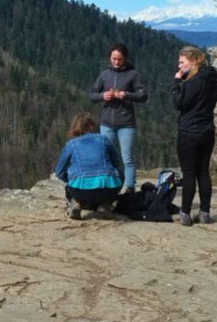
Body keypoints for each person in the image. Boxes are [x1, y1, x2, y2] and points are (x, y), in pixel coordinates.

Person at [88, 43, 148, 194]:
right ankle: (107, 186)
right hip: (106, 123)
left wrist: (126, 95)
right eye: (114, 59)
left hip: (126, 123)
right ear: (110, 58)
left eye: (119, 59)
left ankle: (129, 188)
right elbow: (92, 95)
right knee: (105, 156)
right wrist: (103, 95)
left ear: (125, 59)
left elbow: (143, 95)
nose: (116, 62)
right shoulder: (104, 75)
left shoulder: (133, 74)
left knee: (127, 158)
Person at [171, 45, 217, 226]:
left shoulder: (194, 82)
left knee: (189, 173)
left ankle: (185, 213)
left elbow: (179, 103)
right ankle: (205, 212)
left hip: (189, 132)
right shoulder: (213, 80)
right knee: (203, 172)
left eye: (182, 62)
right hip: (207, 131)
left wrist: (176, 83)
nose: (179, 66)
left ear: (192, 62)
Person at [54, 113, 124, 220]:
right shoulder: (103, 139)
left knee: (69, 188)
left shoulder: (71, 144)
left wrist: (71, 179)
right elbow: (118, 163)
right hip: (107, 189)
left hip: (79, 190)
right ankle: (105, 205)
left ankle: (75, 202)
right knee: (120, 175)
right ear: (92, 126)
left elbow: (59, 172)